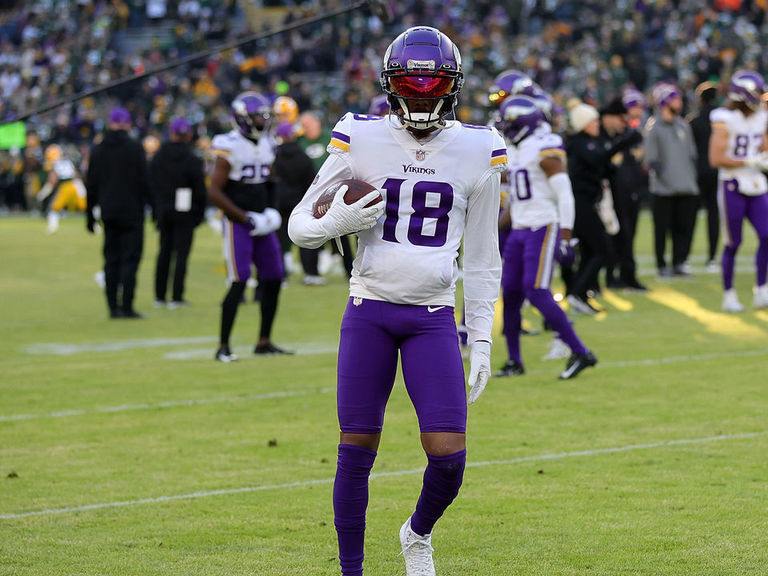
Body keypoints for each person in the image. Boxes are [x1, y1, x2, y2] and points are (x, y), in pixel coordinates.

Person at [288, 26, 504, 576]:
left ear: (452, 86)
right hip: (370, 313)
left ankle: (417, 533)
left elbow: (481, 259)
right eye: (411, 83)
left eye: (434, 84)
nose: (423, 94)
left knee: (449, 456)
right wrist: (331, 221)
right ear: (390, 85)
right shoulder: (358, 135)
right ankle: (352, 570)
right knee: (356, 450)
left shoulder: (480, 147)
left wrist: (481, 338)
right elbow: (298, 226)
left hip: (432, 317)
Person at [493, 95, 597, 380]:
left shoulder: (544, 146)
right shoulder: (517, 151)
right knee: (511, 293)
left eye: (510, 123)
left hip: (544, 226)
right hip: (521, 228)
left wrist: (565, 235)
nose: (506, 128)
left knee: (536, 290)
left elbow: (563, 193)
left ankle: (580, 351)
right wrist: (496, 228)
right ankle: (515, 361)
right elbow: (517, 199)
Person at [207, 91, 292, 361]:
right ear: (242, 118)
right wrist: (245, 218)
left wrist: (271, 211)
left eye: (265, 116)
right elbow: (214, 191)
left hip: (262, 221)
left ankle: (264, 341)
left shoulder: (268, 142)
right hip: (238, 223)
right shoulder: (228, 145)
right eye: (257, 116)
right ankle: (223, 347)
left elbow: (271, 181)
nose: (262, 121)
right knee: (239, 280)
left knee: (274, 277)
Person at [565, 103, 641, 314]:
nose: (596, 124)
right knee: (601, 249)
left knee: (591, 251)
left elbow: (605, 168)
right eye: (593, 121)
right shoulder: (579, 143)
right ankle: (577, 292)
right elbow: (598, 159)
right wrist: (621, 144)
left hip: (589, 202)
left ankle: (580, 295)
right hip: (581, 203)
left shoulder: (590, 142)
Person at [708, 70, 768, 312]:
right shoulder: (724, 117)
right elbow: (715, 158)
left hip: (756, 183)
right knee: (733, 242)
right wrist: (748, 162)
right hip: (732, 183)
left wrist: (762, 157)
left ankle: (761, 289)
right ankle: (729, 295)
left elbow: (763, 145)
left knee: (767, 235)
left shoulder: (760, 115)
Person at [85, 107, 150, 319]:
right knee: (130, 260)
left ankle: (113, 306)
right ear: (128, 124)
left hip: (109, 211)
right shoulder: (135, 148)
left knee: (111, 259)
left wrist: (89, 214)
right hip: (132, 212)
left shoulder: (99, 149)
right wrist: (155, 209)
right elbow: (145, 182)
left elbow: (91, 185)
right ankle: (127, 305)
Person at [643, 82, 700, 277]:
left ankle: (680, 263)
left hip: (686, 187)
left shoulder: (684, 125)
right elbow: (652, 160)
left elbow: (692, 156)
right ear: (665, 101)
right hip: (663, 189)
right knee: (662, 230)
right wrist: (665, 179)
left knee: (683, 229)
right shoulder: (653, 127)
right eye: (675, 99)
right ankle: (661, 265)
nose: (679, 102)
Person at [150, 117, 207, 308]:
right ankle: (176, 296)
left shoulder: (159, 156)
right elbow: (200, 189)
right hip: (185, 212)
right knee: (181, 255)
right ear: (188, 135)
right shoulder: (192, 159)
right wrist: (199, 214)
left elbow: (152, 185)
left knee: (164, 252)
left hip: (164, 209)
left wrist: (156, 209)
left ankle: (159, 296)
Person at [601, 96, 647, 291]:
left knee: (628, 235)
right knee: (615, 236)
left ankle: (626, 275)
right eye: (621, 119)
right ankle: (613, 276)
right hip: (610, 195)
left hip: (630, 192)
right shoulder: (603, 137)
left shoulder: (625, 135)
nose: (624, 123)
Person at [271, 122, 322, 285]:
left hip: (279, 203)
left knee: (278, 240)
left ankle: (281, 275)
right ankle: (311, 273)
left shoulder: (274, 157)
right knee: (305, 238)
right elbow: (312, 181)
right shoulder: (303, 156)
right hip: (300, 202)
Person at [688, 81, 721, 273]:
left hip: (698, 173)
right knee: (713, 216)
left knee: (690, 215)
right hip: (718, 172)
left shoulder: (695, 120)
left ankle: (684, 257)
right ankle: (711, 258)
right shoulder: (723, 119)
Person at [37, 143, 87, 234]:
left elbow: (52, 181)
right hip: (76, 185)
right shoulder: (68, 161)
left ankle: (53, 227)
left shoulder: (54, 164)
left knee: (54, 208)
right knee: (87, 206)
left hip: (65, 187)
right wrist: (81, 186)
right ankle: (96, 226)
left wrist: (43, 193)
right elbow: (76, 175)